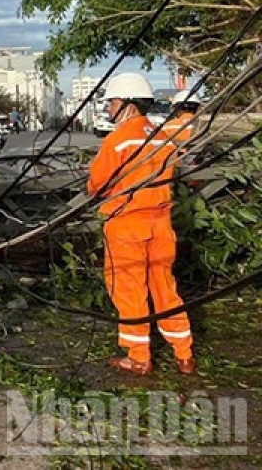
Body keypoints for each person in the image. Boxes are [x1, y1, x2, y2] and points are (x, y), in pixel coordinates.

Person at [88, 73, 194, 376]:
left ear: (126, 104)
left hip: (127, 224)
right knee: (165, 288)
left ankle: (139, 357)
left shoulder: (118, 139)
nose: (109, 110)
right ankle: (184, 354)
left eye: (112, 103)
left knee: (130, 290)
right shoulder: (160, 136)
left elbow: (96, 183)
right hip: (161, 224)